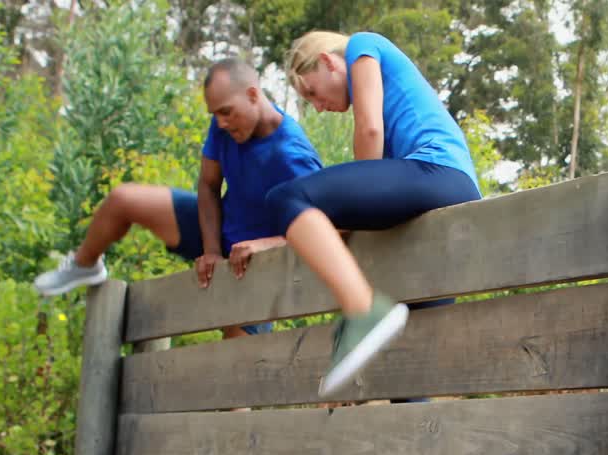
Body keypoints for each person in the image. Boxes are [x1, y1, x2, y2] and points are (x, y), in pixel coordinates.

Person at [33, 58, 324, 339]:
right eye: (215, 115)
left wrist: (264, 246)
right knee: (123, 199)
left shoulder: (293, 155)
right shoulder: (227, 124)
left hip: (256, 264)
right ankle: (85, 266)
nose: (220, 123)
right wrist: (210, 250)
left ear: (252, 95)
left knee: (234, 369)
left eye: (226, 113)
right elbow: (208, 185)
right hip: (217, 228)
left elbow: (324, 230)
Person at [267, 30, 481, 397]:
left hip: (438, 174)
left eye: (311, 92)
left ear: (328, 62)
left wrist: (352, 208)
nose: (317, 106)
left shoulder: (361, 46)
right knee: (409, 373)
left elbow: (369, 129)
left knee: (286, 198)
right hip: (445, 196)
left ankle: (362, 310)